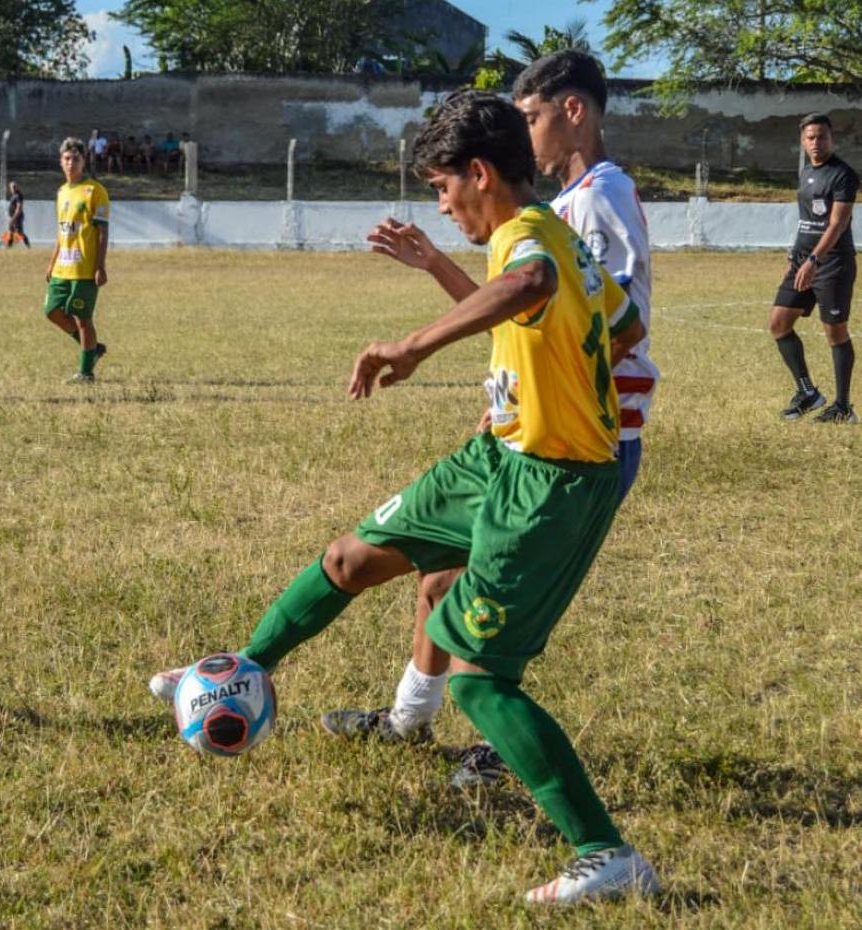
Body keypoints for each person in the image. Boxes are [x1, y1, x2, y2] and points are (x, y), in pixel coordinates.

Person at [150, 91, 660, 905]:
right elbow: (618, 325)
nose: (442, 203)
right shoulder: (549, 236)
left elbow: (529, 285)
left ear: (481, 173)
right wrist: (522, 345)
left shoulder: (531, 240)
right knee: (350, 557)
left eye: (441, 187)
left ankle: (607, 853)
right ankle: (238, 671)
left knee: (478, 678)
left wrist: (411, 345)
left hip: (552, 481)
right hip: (497, 455)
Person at [321, 50, 658, 788]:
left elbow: (616, 323)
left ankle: (508, 752)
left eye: (531, 116)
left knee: (487, 614)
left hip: (581, 440)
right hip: (535, 426)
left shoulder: (598, 199)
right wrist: (445, 276)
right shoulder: (562, 207)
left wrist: (547, 390)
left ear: (572, 112)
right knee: (441, 582)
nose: (524, 131)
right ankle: (409, 720)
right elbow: (526, 311)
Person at [770, 112, 858, 423]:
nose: (816, 142)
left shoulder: (843, 175)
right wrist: (795, 258)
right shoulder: (806, 172)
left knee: (835, 333)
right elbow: (806, 221)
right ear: (802, 141)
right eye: (810, 137)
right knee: (779, 323)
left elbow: (837, 225)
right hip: (803, 261)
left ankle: (843, 407)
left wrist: (814, 260)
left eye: (822, 136)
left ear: (831, 139)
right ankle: (808, 392)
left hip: (832, 264)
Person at [43, 137, 110, 384]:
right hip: (63, 266)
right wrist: (51, 262)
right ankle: (93, 349)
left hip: (85, 267)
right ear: (61, 162)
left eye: (76, 159)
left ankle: (86, 373)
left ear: (84, 162)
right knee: (51, 311)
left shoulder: (95, 191)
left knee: (83, 319)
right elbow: (62, 232)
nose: (71, 163)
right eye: (67, 159)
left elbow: (102, 231)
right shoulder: (61, 192)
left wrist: (100, 266)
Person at [5, 181, 30, 248]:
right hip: (12, 216)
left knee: (20, 233)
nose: (13, 188)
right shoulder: (14, 196)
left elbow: (19, 208)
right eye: (11, 187)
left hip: (17, 217)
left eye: (14, 187)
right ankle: (9, 247)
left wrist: (14, 218)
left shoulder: (19, 195)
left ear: (16, 187)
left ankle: (28, 246)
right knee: (11, 231)